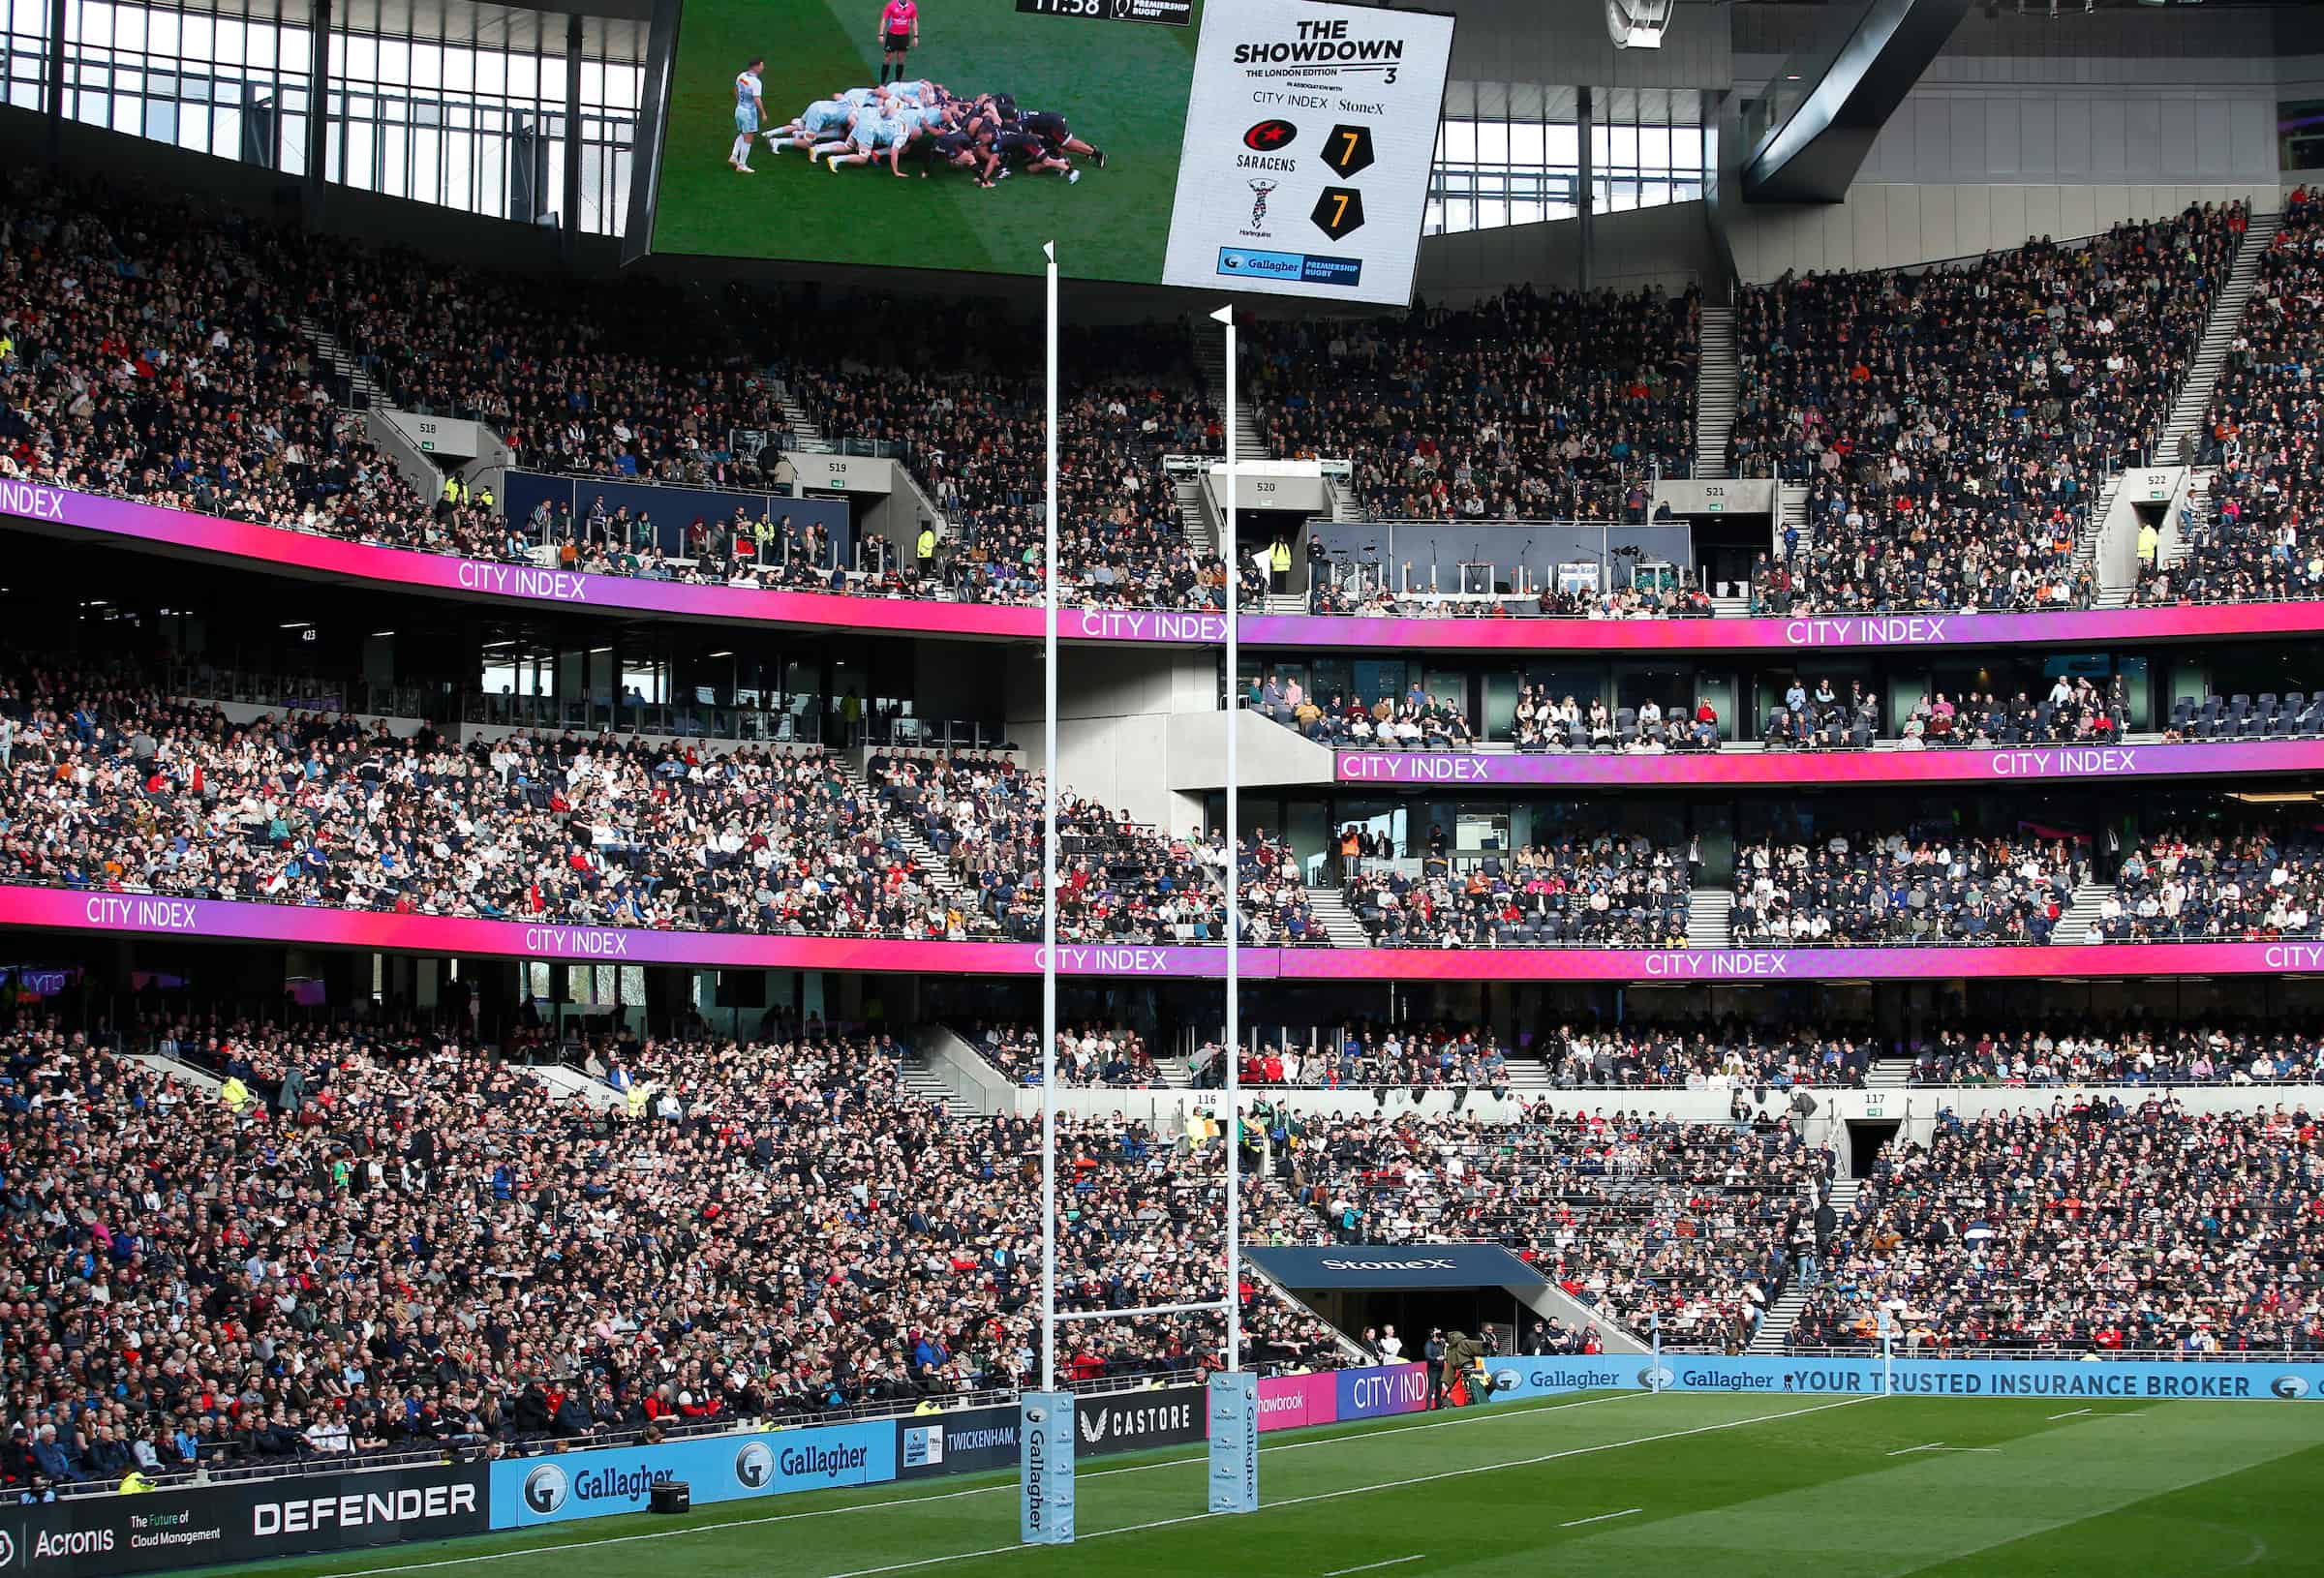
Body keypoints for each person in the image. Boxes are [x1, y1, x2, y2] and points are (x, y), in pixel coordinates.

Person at [730, 58, 765, 173]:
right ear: (756, 67)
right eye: (761, 65)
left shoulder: (741, 76)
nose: (762, 67)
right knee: (749, 138)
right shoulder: (756, 82)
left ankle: (734, 156)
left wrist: (739, 102)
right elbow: (756, 99)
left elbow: (735, 89)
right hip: (749, 113)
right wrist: (763, 113)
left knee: (743, 133)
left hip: (739, 109)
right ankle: (742, 165)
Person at [877, 0, 920, 86]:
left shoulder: (912, 6)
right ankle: (882, 83)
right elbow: (884, 19)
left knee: (901, 59)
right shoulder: (891, 5)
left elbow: (914, 21)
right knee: (888, 58)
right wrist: (881, 34)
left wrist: (916, 36)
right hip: (892, 35)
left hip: (904, 36)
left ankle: (897, 83)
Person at [1423, 1328, 1449, 1409]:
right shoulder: (1429, 1344)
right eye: (1437, 1332)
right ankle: (1428, 1408)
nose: (1440, 1333)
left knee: (1439, 1388)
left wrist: (1444, 1357)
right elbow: (1428, 1356)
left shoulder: (1441, 1343)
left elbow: (1443, 1352)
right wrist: (1436, 1358)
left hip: (1440, 1368)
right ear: (1433, 1334)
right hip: (1432, 1369)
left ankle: (1438, 1406)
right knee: (1431, 1388)